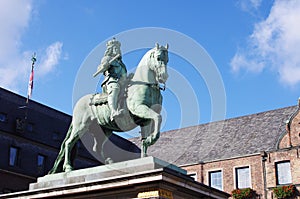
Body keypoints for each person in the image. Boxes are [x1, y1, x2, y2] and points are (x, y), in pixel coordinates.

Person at [94, 38, 127, 121]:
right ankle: (113, 112)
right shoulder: (106, 58)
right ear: (111, 49)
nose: (117, 50)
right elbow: (101, 68)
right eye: (115, 48)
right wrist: (104, 66)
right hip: (111, 81)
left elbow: (123, 75)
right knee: (115, 89)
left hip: (122, 82)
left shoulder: (120, 63)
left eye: (118, 48)